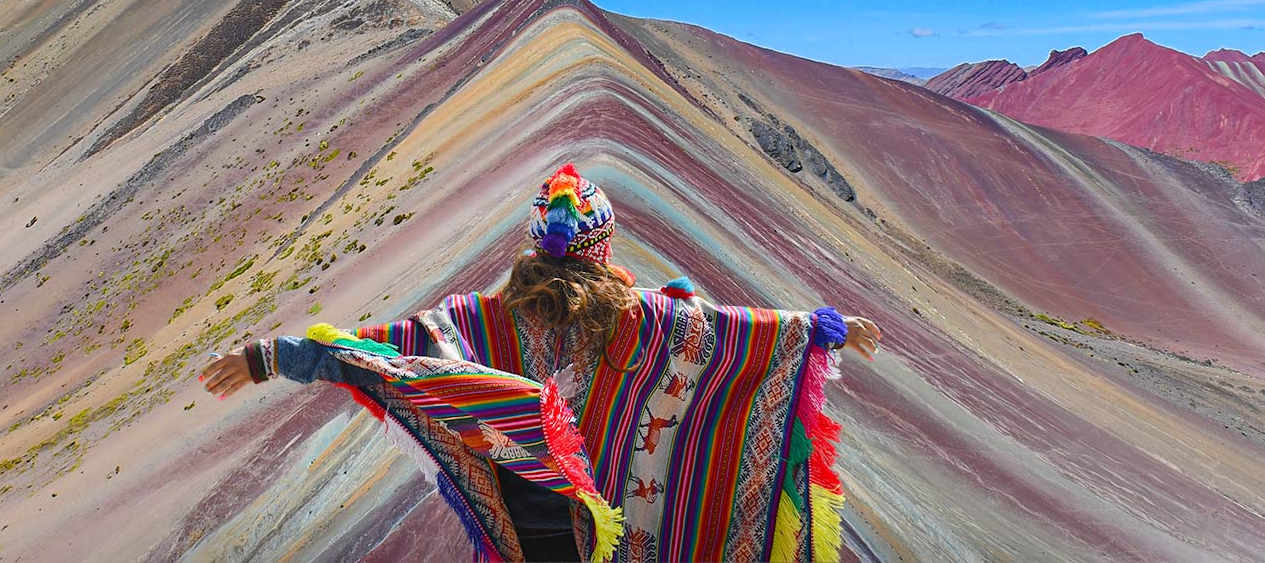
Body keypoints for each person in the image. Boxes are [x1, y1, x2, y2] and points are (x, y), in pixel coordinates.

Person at [202, 163, 881, 563]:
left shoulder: (475, 321)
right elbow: (740, 336)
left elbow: (379, 353)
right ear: (605, 246)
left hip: (527, 533)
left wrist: (268, 358)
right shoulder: (646, 316)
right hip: (618, 526)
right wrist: (826, 330)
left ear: (533, 247)